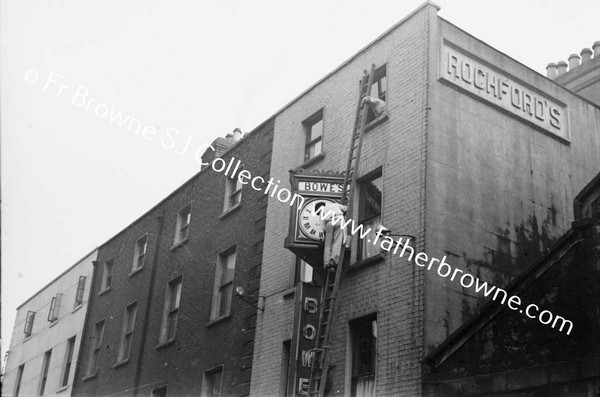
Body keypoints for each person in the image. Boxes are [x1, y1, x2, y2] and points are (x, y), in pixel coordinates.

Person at [316, 201, 347, 272]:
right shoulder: (335, 205)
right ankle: (333, 260)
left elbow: (323, 227)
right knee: (337, 242)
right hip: (339, 221)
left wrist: (329, 233)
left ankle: (327, 263)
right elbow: (345, 209)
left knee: (328, 245)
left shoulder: (322, 212)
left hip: (329, 224)